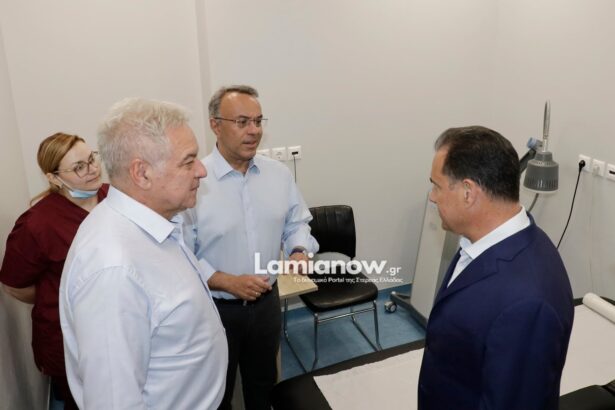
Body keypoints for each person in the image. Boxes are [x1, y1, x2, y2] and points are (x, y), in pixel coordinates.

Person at [59, 98, 228, 409]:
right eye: (188, 161)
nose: (202, 170)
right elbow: (113, 402)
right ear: (142, 173)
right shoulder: (113, 270)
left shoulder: (154, 223)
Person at [418, 125, 574, 409]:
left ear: (468, 192)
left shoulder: (528, 304)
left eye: (437, 185)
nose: (432, 196)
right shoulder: (479, 241)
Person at [184, 85, 318, 409]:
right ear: (215, 125)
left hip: (266, 305)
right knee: (217, 393)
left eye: (258, 121)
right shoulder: (194, 181)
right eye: (242, 122)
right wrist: (224, 281)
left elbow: (297, 222)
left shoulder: (278, 175)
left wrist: (298, 250)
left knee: (264, 387)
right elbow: (181, 252)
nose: (254, 130)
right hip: (216, 310)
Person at [0, 132, 107, 409]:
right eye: (78, 167)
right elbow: (14, 284)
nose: (92, 169)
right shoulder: (37, 224)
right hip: (69, 337)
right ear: (53, 178)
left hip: (116, 322)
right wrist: (62, 297)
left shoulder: (115, 198)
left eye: (91, 159)